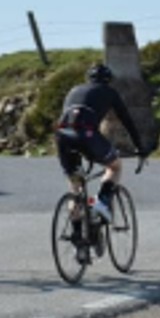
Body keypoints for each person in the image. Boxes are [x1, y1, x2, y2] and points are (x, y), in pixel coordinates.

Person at [55, 62, 147, 224]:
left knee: (75, 187)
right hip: (86, 134)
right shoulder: (109, 92)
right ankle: (101, 201)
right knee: (114, 166)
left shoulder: (74, 90)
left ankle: (78, 239)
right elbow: (127, 121)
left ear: (88, 79)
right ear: (108, 80)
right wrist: (140, 148)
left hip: (63, 135)